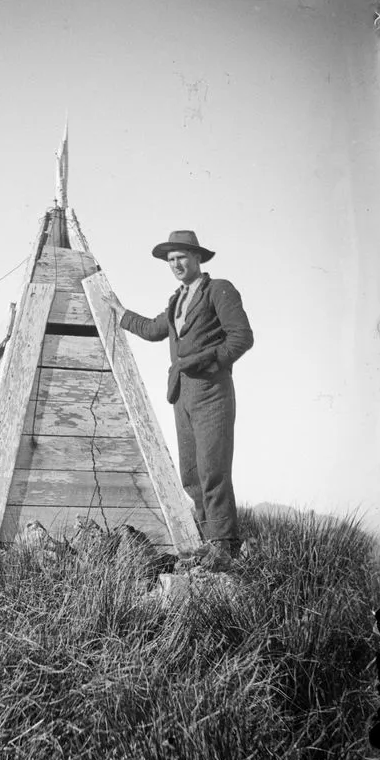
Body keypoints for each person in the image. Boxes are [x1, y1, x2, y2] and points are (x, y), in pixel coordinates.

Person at [110, 230, 253, 557]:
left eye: (181, 258)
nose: (175, 264)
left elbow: (241, 337)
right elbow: (153, 330)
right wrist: (120, 312)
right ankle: (209, 544)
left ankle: (223, 545)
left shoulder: (219, 289)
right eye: (170, 260)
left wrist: (212, 361)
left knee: (212, 469)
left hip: (212, 390)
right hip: (181, 394)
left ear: (197, 258)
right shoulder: (176, 299)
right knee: (190, 474)